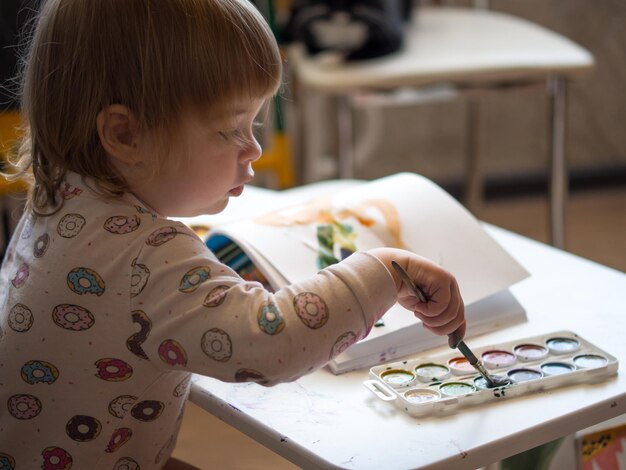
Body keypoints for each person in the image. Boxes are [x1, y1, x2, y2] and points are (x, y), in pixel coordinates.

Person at [0, 0, 466, 468]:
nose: (255, 148)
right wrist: (383, 271)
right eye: (229, 129)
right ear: (125, 134)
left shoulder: (55, 200)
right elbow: (273, 341)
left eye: (254, 124)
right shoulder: (146, 258)